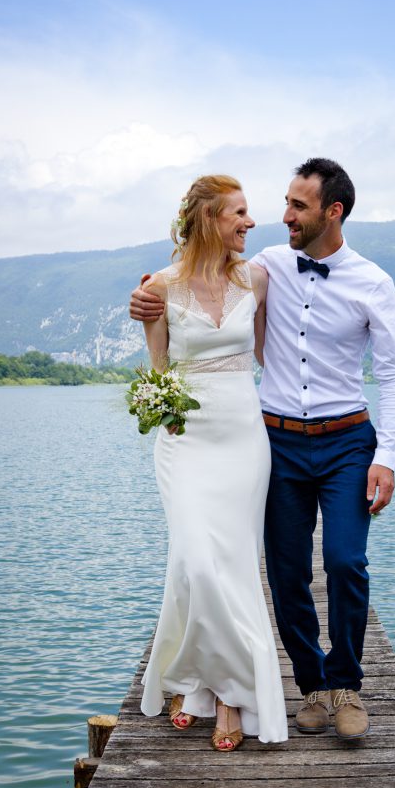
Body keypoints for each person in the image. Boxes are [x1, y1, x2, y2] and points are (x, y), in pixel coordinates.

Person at [131, 158, 395, 740]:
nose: (282, 216)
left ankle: (348, 685)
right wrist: (144, 298)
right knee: (284, 573)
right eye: (282, 203)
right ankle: (310, 687)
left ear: (332, 212)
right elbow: (198, 274)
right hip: (277, 438)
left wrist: (388, 454)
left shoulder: (373, 282)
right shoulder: (266, 267)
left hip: (346, 443)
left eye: (297, 207)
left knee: (343, 561)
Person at [137, 174, 288, 752]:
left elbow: (268, 352)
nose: (251, 222)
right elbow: (155, 370)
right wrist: (158, 407)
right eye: (240, 213)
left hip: (245, 440)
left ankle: (224, 694)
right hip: (185, 440)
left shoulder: (258, 278)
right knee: (195, 562)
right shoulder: (158, 288)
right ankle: (191, 677)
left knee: (235, 566)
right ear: (208, 219)